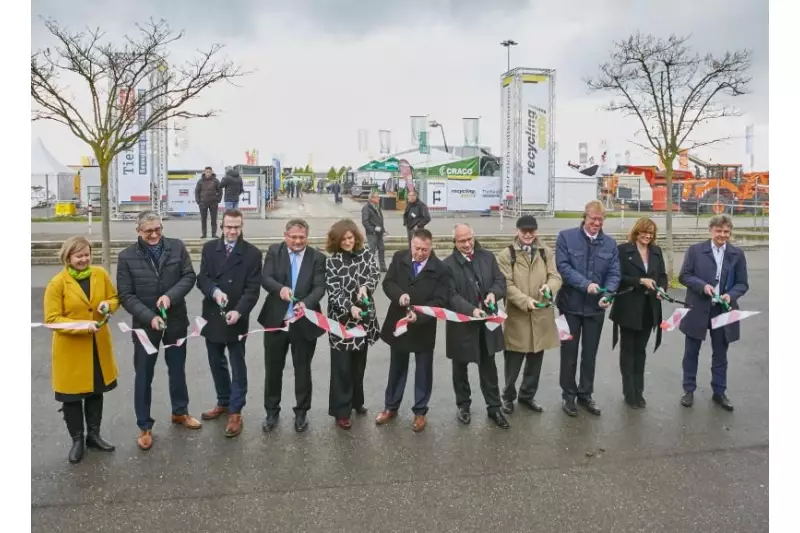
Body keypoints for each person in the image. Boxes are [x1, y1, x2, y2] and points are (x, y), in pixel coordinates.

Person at [117, 211, 200, 451]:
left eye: (158, 230)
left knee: (177, 369)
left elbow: (188, 276)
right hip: (145, 326)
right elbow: (126, 294)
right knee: (144, 374)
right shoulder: (126, 257)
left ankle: (180, 412)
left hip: (175, 320)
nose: (154, 235)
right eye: (148, 231)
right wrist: (149, 317)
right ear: (138, 231)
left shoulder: (176, 247)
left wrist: (169, 297)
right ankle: (144, 426)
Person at [44, 236, 120, 464]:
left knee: (96, 392)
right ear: (68, 257)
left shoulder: (100, 275)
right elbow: (52, 319)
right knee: (72, 398)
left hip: (98, 347)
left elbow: (114, 298)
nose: (84, 259)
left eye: (87, 254)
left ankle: (94, 436)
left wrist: (108, 306)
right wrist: (81, 326)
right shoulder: (57, 283)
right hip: (71, 351)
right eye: (79, 256)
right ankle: (77, 440)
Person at [196, 209, 263, 437]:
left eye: (236, 227)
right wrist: (214, 292)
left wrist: (239, 311)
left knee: (237, 363)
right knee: (216, 361)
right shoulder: (209, 248)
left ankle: (236, 411)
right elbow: (202, 278)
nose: (232, 231)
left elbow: (253, 290)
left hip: (236, 316)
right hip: (213, 314)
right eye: (228, 227)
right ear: (221, 227)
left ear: (242, 226)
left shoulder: (252, 254)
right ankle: (223, 401)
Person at [376, 228, 450, 433]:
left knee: (423, 371)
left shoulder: (441, 269)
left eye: (424, 250)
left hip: (423, 326)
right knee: (397, 368)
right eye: (416, 248)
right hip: (399, 322)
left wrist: (420, 316)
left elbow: (441, 301)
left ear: (431, 246)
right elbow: (388, 282)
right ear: (411, 245)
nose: (419, 253)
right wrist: (399, 295)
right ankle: (391, 407)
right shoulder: (400, 258)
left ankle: (420, 412)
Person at [258, 219, 327, 433]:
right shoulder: (274, 252)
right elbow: (265, 278)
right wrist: (280, 289)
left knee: (303, 369)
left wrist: (305, 304)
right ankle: (271, 411)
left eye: (302, 237)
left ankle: (301, 412)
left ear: (307, 236)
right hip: (276, 320)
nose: (297, 241)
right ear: (285, 235)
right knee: (273, 369)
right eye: (293, 237)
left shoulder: (317, 257)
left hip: (304, 322)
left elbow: (319, 287)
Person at [555, 200, 621, 417]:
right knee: (569, 354)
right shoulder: (566, 237)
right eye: (593, 219)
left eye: (600, 220)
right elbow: (563, 267)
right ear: (585, 217)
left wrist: (608, 293)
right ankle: (568, 395)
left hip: (595, 310)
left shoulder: (610, 245)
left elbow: (614, 273)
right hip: (569, 307)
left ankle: (585, 394)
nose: (597, 223)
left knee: (589, 355)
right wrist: (586, 285)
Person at [678, 215, 749, 411]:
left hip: (722, 309)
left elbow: (743, 283)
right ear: (711, 230)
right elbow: (684, 276)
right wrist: (703, 286)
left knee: (720, 353)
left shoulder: (737, 254)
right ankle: (689, 390)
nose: (722, 235)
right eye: (719, 231)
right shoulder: (695, 251)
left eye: (726, 232)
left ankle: (719, 391)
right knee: (691, 351)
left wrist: (730, 295)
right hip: (698, 307)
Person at [443, 223, 510, 429]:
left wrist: (493, 294)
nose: (467, 244)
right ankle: (463, 405)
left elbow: (500, 281)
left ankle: (494, 407)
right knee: (460, 367)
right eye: (462, 241)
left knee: (489, 367)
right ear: (454, 241)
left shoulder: (487, 257)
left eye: (469, 239)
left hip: (486, 324)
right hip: (462, 325)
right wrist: (472, 310)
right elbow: (450, 296)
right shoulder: (447, 265)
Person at [496, 216, 563, 415]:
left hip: (541, 315)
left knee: (536, 359)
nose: (528, 234)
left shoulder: (546, 252)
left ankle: (527, 395)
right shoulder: (506, 255)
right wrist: (525, 301)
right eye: (524, 230)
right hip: (518, 316)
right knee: (513, 361)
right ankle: (508, 397)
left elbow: (555, 276)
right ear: (517, 231)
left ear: (536, 231)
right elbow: (506, 285)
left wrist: (549, 288)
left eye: (531, 230)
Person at [325, 219, 381, 430]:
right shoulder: (332, 262)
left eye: (350, 238)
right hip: (342, 322)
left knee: (359, 363)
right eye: (343, 239)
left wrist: (367, 286)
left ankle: (357, 401)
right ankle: (341, 411)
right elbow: (333, 292)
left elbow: (375, 273)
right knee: (342, 367)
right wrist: (349, 307)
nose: (348, 242)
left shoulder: (366, 254)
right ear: (336, 241)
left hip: (364, 319)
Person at [609, 217, 668, 409]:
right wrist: (640, 281)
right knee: (628, 352)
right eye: (644, 232)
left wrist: (662, 289)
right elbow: (618, 278)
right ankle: (629, 392)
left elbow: (663, 276)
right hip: (628, 308)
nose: (647, 236)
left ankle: (639, 392)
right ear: (637, 232)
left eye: (651, 233)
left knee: (640, 352)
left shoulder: (657, 252)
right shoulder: (623, 250)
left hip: (649, 310)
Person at [361, 192, 387, 272]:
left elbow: (379, 219)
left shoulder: (377, 206)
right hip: (372, 233)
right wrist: (372, 230)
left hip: (379, 232)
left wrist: (383, 230)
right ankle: (369, 267)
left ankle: (382, 267)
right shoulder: (366, 208)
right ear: (372, 198)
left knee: (381, 248)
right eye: (377, 197)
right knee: (372, 250)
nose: (379, 198)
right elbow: (365, 222)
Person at [195, 166, 222, 239]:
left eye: (210, 172)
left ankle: (214, 234)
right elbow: (197, 191)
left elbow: (220, 190)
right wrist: (198, 201)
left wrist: (218, 200)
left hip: (213, 203)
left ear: (212, 172)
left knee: (213, 219)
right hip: (203, 203)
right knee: (203, 219)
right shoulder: (200, 181)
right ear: (204, 172)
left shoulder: (216, 181)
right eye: (207, 172)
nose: (208, 173)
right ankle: (204, 234)